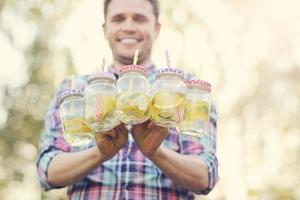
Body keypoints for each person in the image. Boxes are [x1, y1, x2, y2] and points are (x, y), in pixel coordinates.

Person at [36, 0, 218, 199]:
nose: (129, 27)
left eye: (139, 19)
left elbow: (205, 177)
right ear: (105, 29)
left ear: (156, 28)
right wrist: (101, 153)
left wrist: (155, 152)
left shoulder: (186, 88)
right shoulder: (75, 89)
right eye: (118, 19)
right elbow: (48, 171)